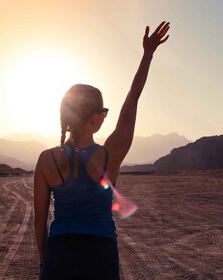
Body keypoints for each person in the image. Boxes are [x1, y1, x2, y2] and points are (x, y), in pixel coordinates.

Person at [34, 21, 170, 280]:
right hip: (100, 254)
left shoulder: (46, 160)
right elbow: (133, 97)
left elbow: (39, 221)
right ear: (96, 117)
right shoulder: (111, 155)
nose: (105, 117)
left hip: (60, 254)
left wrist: (45, 265)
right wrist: (148, 55)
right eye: (104, 113)